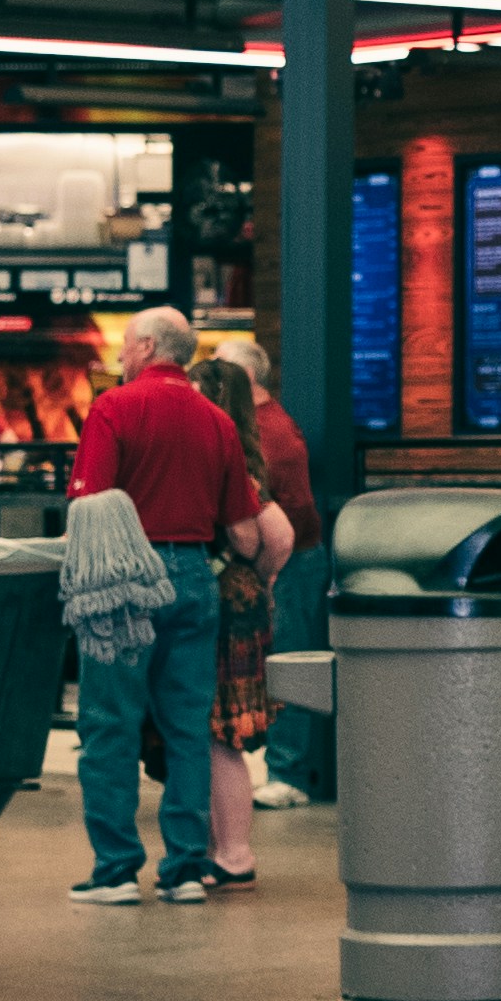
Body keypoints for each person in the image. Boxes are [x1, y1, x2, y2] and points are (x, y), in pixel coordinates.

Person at [66, 306, 259, 903]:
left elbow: (89, 503)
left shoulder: (114, 408)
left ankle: (117, 870)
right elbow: (243, 524)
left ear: (148, 346)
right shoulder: (217, 421)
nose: (121, 355)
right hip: (196, 576)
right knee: (187, 730)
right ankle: (184, 870)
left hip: (124, 580)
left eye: (127, 345)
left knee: (109, 725)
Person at [195, 354, 295, 886]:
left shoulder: (224, 457)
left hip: (224, 605)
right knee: (220, 733)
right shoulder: (246, 453)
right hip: (244, 603)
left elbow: (262, 534)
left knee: (218, 733)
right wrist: (262, 577)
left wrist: (243, 567)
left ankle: (232, 854)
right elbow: (275, 540)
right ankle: (223, 850)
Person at [219, 341, 327, 810]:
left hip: (293, 562)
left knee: (289, 663)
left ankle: (289, 774)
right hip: (290, 559)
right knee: (283, 661)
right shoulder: (258, 425)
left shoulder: (270, 434)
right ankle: (285, 768)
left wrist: (269, 571)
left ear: (244, 378)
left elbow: (295, 515)